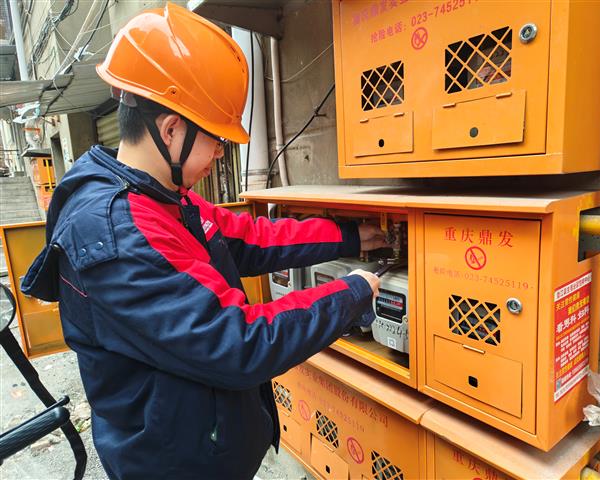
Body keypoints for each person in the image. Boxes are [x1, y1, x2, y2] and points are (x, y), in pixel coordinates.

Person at [21, 3, 386, 479]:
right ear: (171, 130)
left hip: (204, 444)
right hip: (175, 466)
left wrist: (350, 236)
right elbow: (239, 343)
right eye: (216, 139)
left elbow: (249, 238)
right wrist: (352, 293)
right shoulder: (117, 234)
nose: (219, 153)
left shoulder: (160, 199)